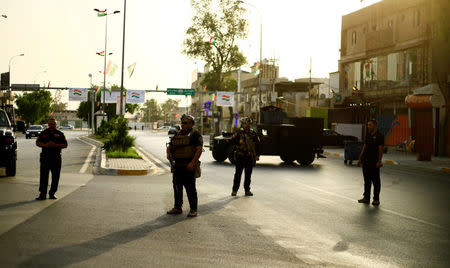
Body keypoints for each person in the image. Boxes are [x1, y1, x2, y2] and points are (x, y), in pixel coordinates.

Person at [166, 114, 203, 217]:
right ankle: (177, 207)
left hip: (188, 165)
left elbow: (199, 150)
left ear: (191, 124)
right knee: (177, 187)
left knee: (190, 188)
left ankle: (193, 209)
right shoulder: (177, 134)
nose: (183, 125)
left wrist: (193, 163)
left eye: (185, 123)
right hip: (178, 165)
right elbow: (170, 145)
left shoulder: (195, 135)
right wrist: (168, 153)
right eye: (182, 123)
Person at [35, 118, 68, 200]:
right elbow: (37, 142)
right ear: (48, 124)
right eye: (50, 124)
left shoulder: (60, 134)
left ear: (56, 125)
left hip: (56, 158)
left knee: (55, 177)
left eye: (53, 124)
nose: (51, 126)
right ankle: (42, 194)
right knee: (43, 177)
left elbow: (65, 145)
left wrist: (55, 145)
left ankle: (52, 193)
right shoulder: (43, 133)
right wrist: (45, 145)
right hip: (45, 158)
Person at [357, 119, 384, 206]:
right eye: (368, 125)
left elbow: (380, 150)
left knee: (376, 182)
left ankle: (376, 199)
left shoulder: (380, 136)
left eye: (370, 125)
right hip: (366, 161)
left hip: (374, 162)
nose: (368, 126)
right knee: (367, 181)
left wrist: (379, 161)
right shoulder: (368, 135)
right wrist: (360, 158)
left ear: (375, 125)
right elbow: (364, 147)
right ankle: (366, 198)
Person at [231, 117, 260, 197]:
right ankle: (234, 190)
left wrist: (257, 155)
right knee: (238, 174)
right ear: (242, 124)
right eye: (245, 124)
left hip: (249, 157)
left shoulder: (253, 133)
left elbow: (257, 145)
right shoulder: (239, 133)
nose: (247, 125)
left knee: (248, 175)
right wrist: (238, 142)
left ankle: (247, 190)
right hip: (240, 156)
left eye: (248, 124)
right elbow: (232, 141)